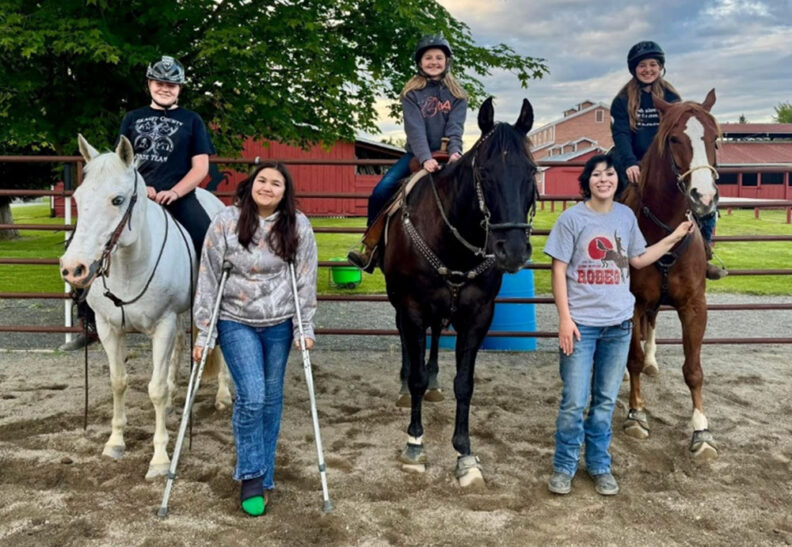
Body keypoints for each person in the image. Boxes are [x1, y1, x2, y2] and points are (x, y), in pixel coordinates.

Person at [544, 154, 693, 496]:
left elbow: (638, 259)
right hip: (580, 327)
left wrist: (674, 237)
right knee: (573, 401)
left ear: (616, 181)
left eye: (609, 174)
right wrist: (564, 319)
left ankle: (599, 464)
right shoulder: (571, 219)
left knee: (606, 401)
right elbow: (558, 270)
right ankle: (564, 466)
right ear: (587, 181)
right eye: (597, 174)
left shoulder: (625, 217)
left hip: (619, 326)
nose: (604, 179)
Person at [60, 55, 216, 351]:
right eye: (159, 83)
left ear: (180, 88)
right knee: (79, 245)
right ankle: (90, 321)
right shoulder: (132, 118)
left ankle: (211, 310)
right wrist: (141, 188)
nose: (165, 88)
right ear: (149, 84)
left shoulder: (192, 120)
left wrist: (175, 192)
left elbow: (200, 168)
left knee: (210, 242)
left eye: (171, 84)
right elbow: (121, 165)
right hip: (134, 198)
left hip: (178, 196)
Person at [192, 162, 318, 517]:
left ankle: (265, 476)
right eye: (262, 180)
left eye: (276, 183)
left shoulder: (298, 225)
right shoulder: (225, 222)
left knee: (272, 400)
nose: (267, 187)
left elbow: (305, 279)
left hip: (279, 322)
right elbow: (208, 277)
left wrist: (304, 326)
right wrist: (206, 330)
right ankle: (250, 476)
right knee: (252, 397)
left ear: (285, 192)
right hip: (236, 320)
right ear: (250, 185)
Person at [347, 34, 467, 272]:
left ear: (447, 61)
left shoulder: (458, 95)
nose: (434, 62)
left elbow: (455, 127)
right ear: (420, 62)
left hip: (448, 155)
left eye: (439, 57)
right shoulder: (412, 94)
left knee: (471, 192)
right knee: (381, 191)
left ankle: (478, 248)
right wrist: (425, 158)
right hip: (417, 155)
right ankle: (371, 249)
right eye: (428, 57)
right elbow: (415, 129)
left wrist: (455, 152)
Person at [610, 40, 726, 280]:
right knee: (604, 190)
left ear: (661, 67)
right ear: (634, 69)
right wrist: (630, 162)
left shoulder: (671, 96)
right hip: (631, 158)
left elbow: (683, 130)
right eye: (642, 65)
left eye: (653, 64)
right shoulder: (622, 100)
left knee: (703, 200)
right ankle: (608, 253)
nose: (648, 69)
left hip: (663, 162)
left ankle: (704, 252)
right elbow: (620, 134)